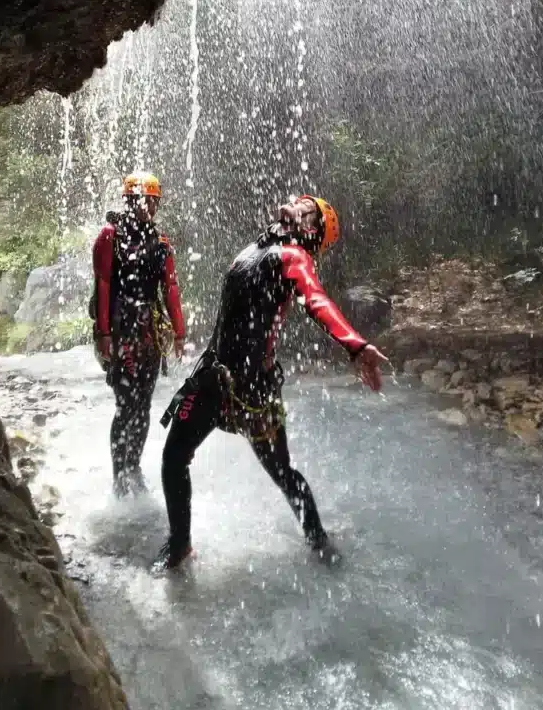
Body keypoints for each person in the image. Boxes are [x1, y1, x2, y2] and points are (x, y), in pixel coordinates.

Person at [155, 194, 387, 570]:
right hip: (213, 377)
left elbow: (316, 300)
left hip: (252, 390)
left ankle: (319, 542)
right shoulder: (256, 250)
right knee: (173, 457)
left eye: (304, 210)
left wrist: (356, 346)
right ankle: (180, 545)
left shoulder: (294, 257)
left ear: (309, 231)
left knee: (281, 472)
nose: (293, 207)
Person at [91, 173, 185, 497]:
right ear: (129, 202)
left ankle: (134, 466)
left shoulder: (161, 242)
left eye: (153, 202)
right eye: (142, 201)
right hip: (120, 333)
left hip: (148, 334)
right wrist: (104, 333)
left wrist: (180, 332)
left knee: (143, 405)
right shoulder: (110, 236)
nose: (148, 207)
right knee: (125, 404)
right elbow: (103, 284)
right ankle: (120, 475)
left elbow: (170, 288)